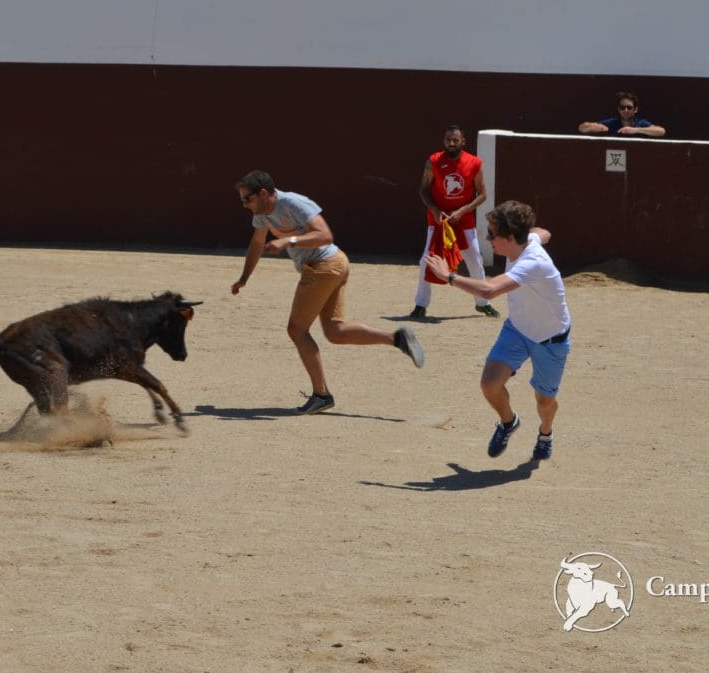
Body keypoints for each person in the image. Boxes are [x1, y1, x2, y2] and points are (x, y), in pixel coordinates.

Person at [231, 170, 425, 414]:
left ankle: (322, 394)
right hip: (332, 264)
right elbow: (257, 244)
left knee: (296, 329)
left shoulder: (292, 202)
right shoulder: (262, 215)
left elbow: (324, 235)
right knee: (336, 331)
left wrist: (287, 241)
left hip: (324, 265)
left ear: (262, 193)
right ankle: (397, 339)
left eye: (246, 199)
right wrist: (244, 278)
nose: (244, 205)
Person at [425, 200, 570, 460]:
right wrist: (538, 233)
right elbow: (541, 232)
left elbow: (490, 290)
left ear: (511, 237)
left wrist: (449, 276)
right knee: (490, 384)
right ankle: (508, 422)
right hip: (517, 329)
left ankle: (546, 433)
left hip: (550, 340)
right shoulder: (529, 241)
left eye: (492, 234)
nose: (488, 238)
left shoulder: (533, 263)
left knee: (544, 401)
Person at [411, 125, 500, 319]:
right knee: (426, 259)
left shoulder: (474, 163)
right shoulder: (433, 161)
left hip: (463, 219)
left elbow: (482, 194)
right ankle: (420, 304)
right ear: (444, 141)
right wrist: (434, 210)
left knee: (475, 260)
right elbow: (423, 190)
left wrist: (462, 211)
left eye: (455, 140)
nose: (451, 143)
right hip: (439, 220)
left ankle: (483, 303)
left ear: (463, 142)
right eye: (448, 139)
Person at [578, 91, 666, 137]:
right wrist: (595, 127)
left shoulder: (640, 123)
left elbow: (661, 131)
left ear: (635, 109)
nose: (626, 110)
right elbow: (582, 128)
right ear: (618, 109)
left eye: (629, 107)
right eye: (622, 107)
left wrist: (635, 130)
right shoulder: (612, 122)